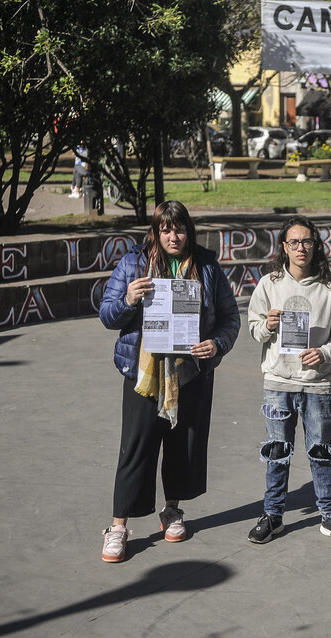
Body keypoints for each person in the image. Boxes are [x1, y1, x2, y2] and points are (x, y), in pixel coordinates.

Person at [98, 200, 240, 563]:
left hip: (190, 372)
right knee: (136, 447)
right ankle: (118, 526)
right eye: (165, 229)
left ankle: (172, 510)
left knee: (182, 444)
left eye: (179, 229)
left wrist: (218, 343)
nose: (173, 237)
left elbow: (229, 317)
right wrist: (129, 298)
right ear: (155, 232)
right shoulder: (133, 262)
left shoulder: (206, 265)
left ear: (188, 231)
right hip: (143, 373)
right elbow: (107, 314)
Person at [247, 215, 331, 545]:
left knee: (320, 452)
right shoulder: (269, 284)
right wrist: (267, 325)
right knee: (277, 453)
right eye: (294, 242)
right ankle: (273, 515)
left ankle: (330, 515)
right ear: (283, 247)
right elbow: (254, 330)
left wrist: (324, 353)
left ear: (315, 246)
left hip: (317, 384)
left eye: (306, 241)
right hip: (278, 382)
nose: (300, 248)